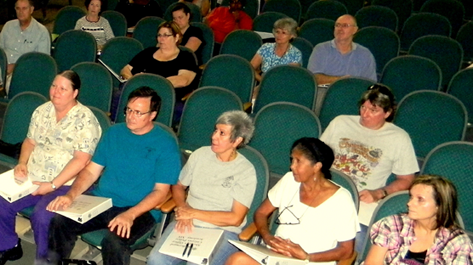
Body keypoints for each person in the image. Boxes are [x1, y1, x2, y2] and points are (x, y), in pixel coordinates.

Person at [46, 86, 181, 265]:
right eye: (129, 110)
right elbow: (91, 171)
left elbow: (161, 192)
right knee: (59, 221)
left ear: (152, 115)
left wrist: (131, 214)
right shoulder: (114, 132)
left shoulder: (165, 143)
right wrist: (71, 195)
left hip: (140, 209)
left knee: (114, 242)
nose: (131, 116)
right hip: (102, 201)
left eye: (138, 113)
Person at [0, 70, 102, 265]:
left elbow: (81, 160)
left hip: (67, 182)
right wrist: (22, 163)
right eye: (54, 86)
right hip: (34, 175)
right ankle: (8, 247)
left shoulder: (85, 120)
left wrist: (53, 185)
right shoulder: (42, 111)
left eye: (63, 88)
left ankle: (46, 261)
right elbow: (29, 142)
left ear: (75, 93)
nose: (55, 91)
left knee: (42, 215)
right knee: (0, 199)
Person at [226, 138, 359, 265]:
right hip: (276, 258)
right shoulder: (289, 180)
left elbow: (346, 251)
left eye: (298, 161)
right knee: (237, 260)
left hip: (312, 261)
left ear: (317, 167)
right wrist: (267, 237)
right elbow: (261, 213)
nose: (292, 166)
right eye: (292, 160)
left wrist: (307, 256)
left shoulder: (341, 199)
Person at [147, 111, 257, 265]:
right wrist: (183, 207)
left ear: (237, 140)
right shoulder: (200, 155)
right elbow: (178, 186)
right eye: (215, 130)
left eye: (222, 133)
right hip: (188, 222)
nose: (214, 136)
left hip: (223, 231)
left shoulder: (245, 170)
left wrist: (193, 213)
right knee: (156, 260)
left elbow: (235, 218)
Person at [321, 84, 418, 253]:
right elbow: (316, 157)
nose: (364, 114)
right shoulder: (340, 122)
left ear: (387, 113)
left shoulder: (399, 138)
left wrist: (378, 193)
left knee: (348, 249)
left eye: (373, 111)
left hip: (361, 205)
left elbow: (407, 180)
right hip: (325, 193)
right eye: (363, 107)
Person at [364, 175, 473, 265]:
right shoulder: (393, 225)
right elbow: (373, 262)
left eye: (420, 200)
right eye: (411, 197)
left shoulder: (459, 243)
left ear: (439, 206)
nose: (409, 203)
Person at [121, 21, 198, 100]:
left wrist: (148, 82)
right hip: (138, 92)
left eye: (166, 35)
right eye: (159, 35)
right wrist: (133, 80)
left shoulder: (186, 57)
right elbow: (125, 69)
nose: (161, 39)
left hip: (165, 98)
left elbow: (183, 80)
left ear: (176, 37)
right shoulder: (148, 52)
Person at [307, 15, 377, 85]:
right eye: (337, 25)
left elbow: (370, 84)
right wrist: (340, 80)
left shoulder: (365, 54)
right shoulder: (321, 49)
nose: (340, 29)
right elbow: (313, 78)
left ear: (355, 30)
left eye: (345, 25)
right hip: (324, 93)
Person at [0, 0, 51, 74]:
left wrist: (15, 66)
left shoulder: (41, 32)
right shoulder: (8, 26)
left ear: (31, 10)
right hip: (2, 67)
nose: (20, 12)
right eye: (18, 8)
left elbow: (41, 61)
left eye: (24, 8)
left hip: (24, 71)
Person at [250, 17, 301, 81]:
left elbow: (290, 76)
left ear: (292, 35)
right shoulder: (266, 47)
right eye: (277, 32)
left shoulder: (296, 53)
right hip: (263, 83)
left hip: (283, 85)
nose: (279, 35)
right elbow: (250, 68)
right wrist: (262, 80)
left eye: (283, 33)